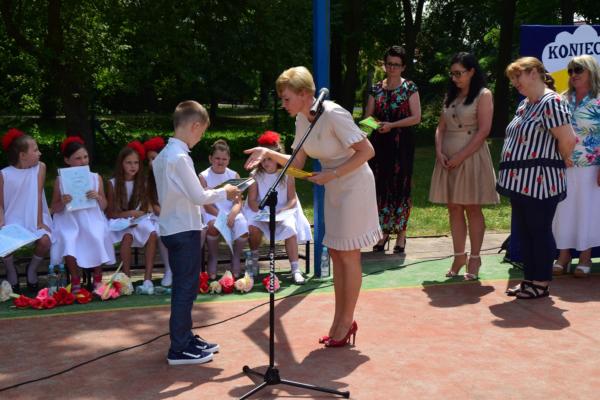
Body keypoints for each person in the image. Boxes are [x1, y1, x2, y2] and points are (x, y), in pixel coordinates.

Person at [245, 67, 381, 347]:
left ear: (305, 94)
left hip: (354, 185)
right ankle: (340, 320)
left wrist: (333, 174)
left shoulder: (333, 114)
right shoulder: (301, 119)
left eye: (286, 98)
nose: (283, 104)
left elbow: (367, 151)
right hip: (334, 185)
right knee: (336, 252)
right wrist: (269, 153)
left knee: (348, 255)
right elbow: (297, 162)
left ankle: (345, 322)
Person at [153, 100, 239, 365]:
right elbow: (199, 196)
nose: (201, 137)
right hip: (183, 229)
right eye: (202, 132)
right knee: (184, 288)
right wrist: (226, 191)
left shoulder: (164, 155)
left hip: (174, 227)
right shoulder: (179, 157)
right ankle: (179, 348)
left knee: (187, 287)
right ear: (195, 125)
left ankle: (185, 338)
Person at [499, 57, 576, 299]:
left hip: (541, 182)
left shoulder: (551, 102)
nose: (515, 82)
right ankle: (529, 280)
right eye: (512, 78)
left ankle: (540, 283)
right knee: (525, 232)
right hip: (519, 181)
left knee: (539, 230)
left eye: (518, 76)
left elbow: (568, 139)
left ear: (534, 73)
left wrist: (564, 158)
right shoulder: (525, 105)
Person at [429, 52, 499, 280]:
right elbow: (440, 127)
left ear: (472, 72)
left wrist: (461, 156)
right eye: (452, 74)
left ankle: (475, 258)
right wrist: (439, 150)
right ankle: (459, 256)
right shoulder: (450, 95)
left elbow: (484, 130)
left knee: (472, 207)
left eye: (459, 73)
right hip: (447, 157)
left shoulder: (484, 94)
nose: (455, 78)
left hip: (471, 156)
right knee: (454, 207)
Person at [364, 45, 421, 254]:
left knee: (401, 188)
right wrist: (376, 125)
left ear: (403, 66)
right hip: (380, 145)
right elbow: (367, 117)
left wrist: (392, 125)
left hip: (402, 145)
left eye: (396, 64)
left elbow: (416, 117)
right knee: (381, 187)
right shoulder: (376, 88)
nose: (392, 68)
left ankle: (401, 234)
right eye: (389, 64)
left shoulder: (410, 88)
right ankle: (383, 233)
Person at [552, 55, 600, 278]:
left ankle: (585, 257)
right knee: (563, 210)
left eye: (578, 69)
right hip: (563, 165)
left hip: (592, 166)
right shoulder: (562, 99)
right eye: (570, 71)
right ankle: (563, 257)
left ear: (591, 71)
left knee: (587, 211)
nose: (573, 74)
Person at [243, 131, 312, 285]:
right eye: (263, 159)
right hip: (261, 211)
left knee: (290, 228)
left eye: (269, 158)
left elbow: (292, 199)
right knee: (253, 227)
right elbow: (252, 201)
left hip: (282, 211)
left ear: (277, 157)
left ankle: (295, 269)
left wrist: (282, 210)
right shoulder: (255, 175)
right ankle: (254, 260)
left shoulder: (287, 173)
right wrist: (262, 212)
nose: (266, 163)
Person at [50, 136, 115, 293]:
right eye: (78, 158)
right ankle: (75, 279)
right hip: (69, 219)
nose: (83, 161)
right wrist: (63, 202)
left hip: (91, 217)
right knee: (68, 238)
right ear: (67, 160)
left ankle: (97, 278)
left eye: (85, 157)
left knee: (96, 234)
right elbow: (54, 208)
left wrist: (97, 197)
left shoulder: (95, 177)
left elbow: (104, 205)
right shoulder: (60, 180)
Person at [0, 128, 52, 293]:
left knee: (45, 240)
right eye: (35, 150)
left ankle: (32, 269)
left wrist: (39, 222)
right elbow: (0, 204)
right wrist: (1, 222)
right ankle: (11, 270)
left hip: (34, 217)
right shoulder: (4, 174)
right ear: (22, 155)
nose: (39, 153)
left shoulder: (40, 168)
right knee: (3, 242)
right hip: (12, 220)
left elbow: (37, 195)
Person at [106, 141, 158, 294]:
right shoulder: (113, 183)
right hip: (120, 220)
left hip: (139, 219)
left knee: (152, 233)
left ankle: (148, 278)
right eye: (128, 163)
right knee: (127, 237)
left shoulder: (142, 182)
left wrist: (138, 215)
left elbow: (144, 209)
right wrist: (129, 214)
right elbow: (110, 213)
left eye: (136, 163)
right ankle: (126, 278)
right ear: (121, 164)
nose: (133, 166)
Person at [199, 139, 249, 280]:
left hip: (232, 211)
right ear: (210, 158)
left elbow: (238, 201)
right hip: (212, 212)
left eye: (224, 159)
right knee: (213, 226)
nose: (220, 162)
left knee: (243, 227)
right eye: (217, 158)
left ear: (228, 160)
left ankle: (235, 257)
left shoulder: (234, 175)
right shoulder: (203, 176)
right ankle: (213, 257)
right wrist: (221, 216)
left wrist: (232, 214)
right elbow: (205, 203)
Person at [143, 136, 173, 287]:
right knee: (161, 230)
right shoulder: (149, 181)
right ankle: (169, 269)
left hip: (176, 213)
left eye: (154, 158)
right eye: (149, 160)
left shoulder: (172, 175)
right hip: (159, 215)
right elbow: (153, 206)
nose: (151, 163)